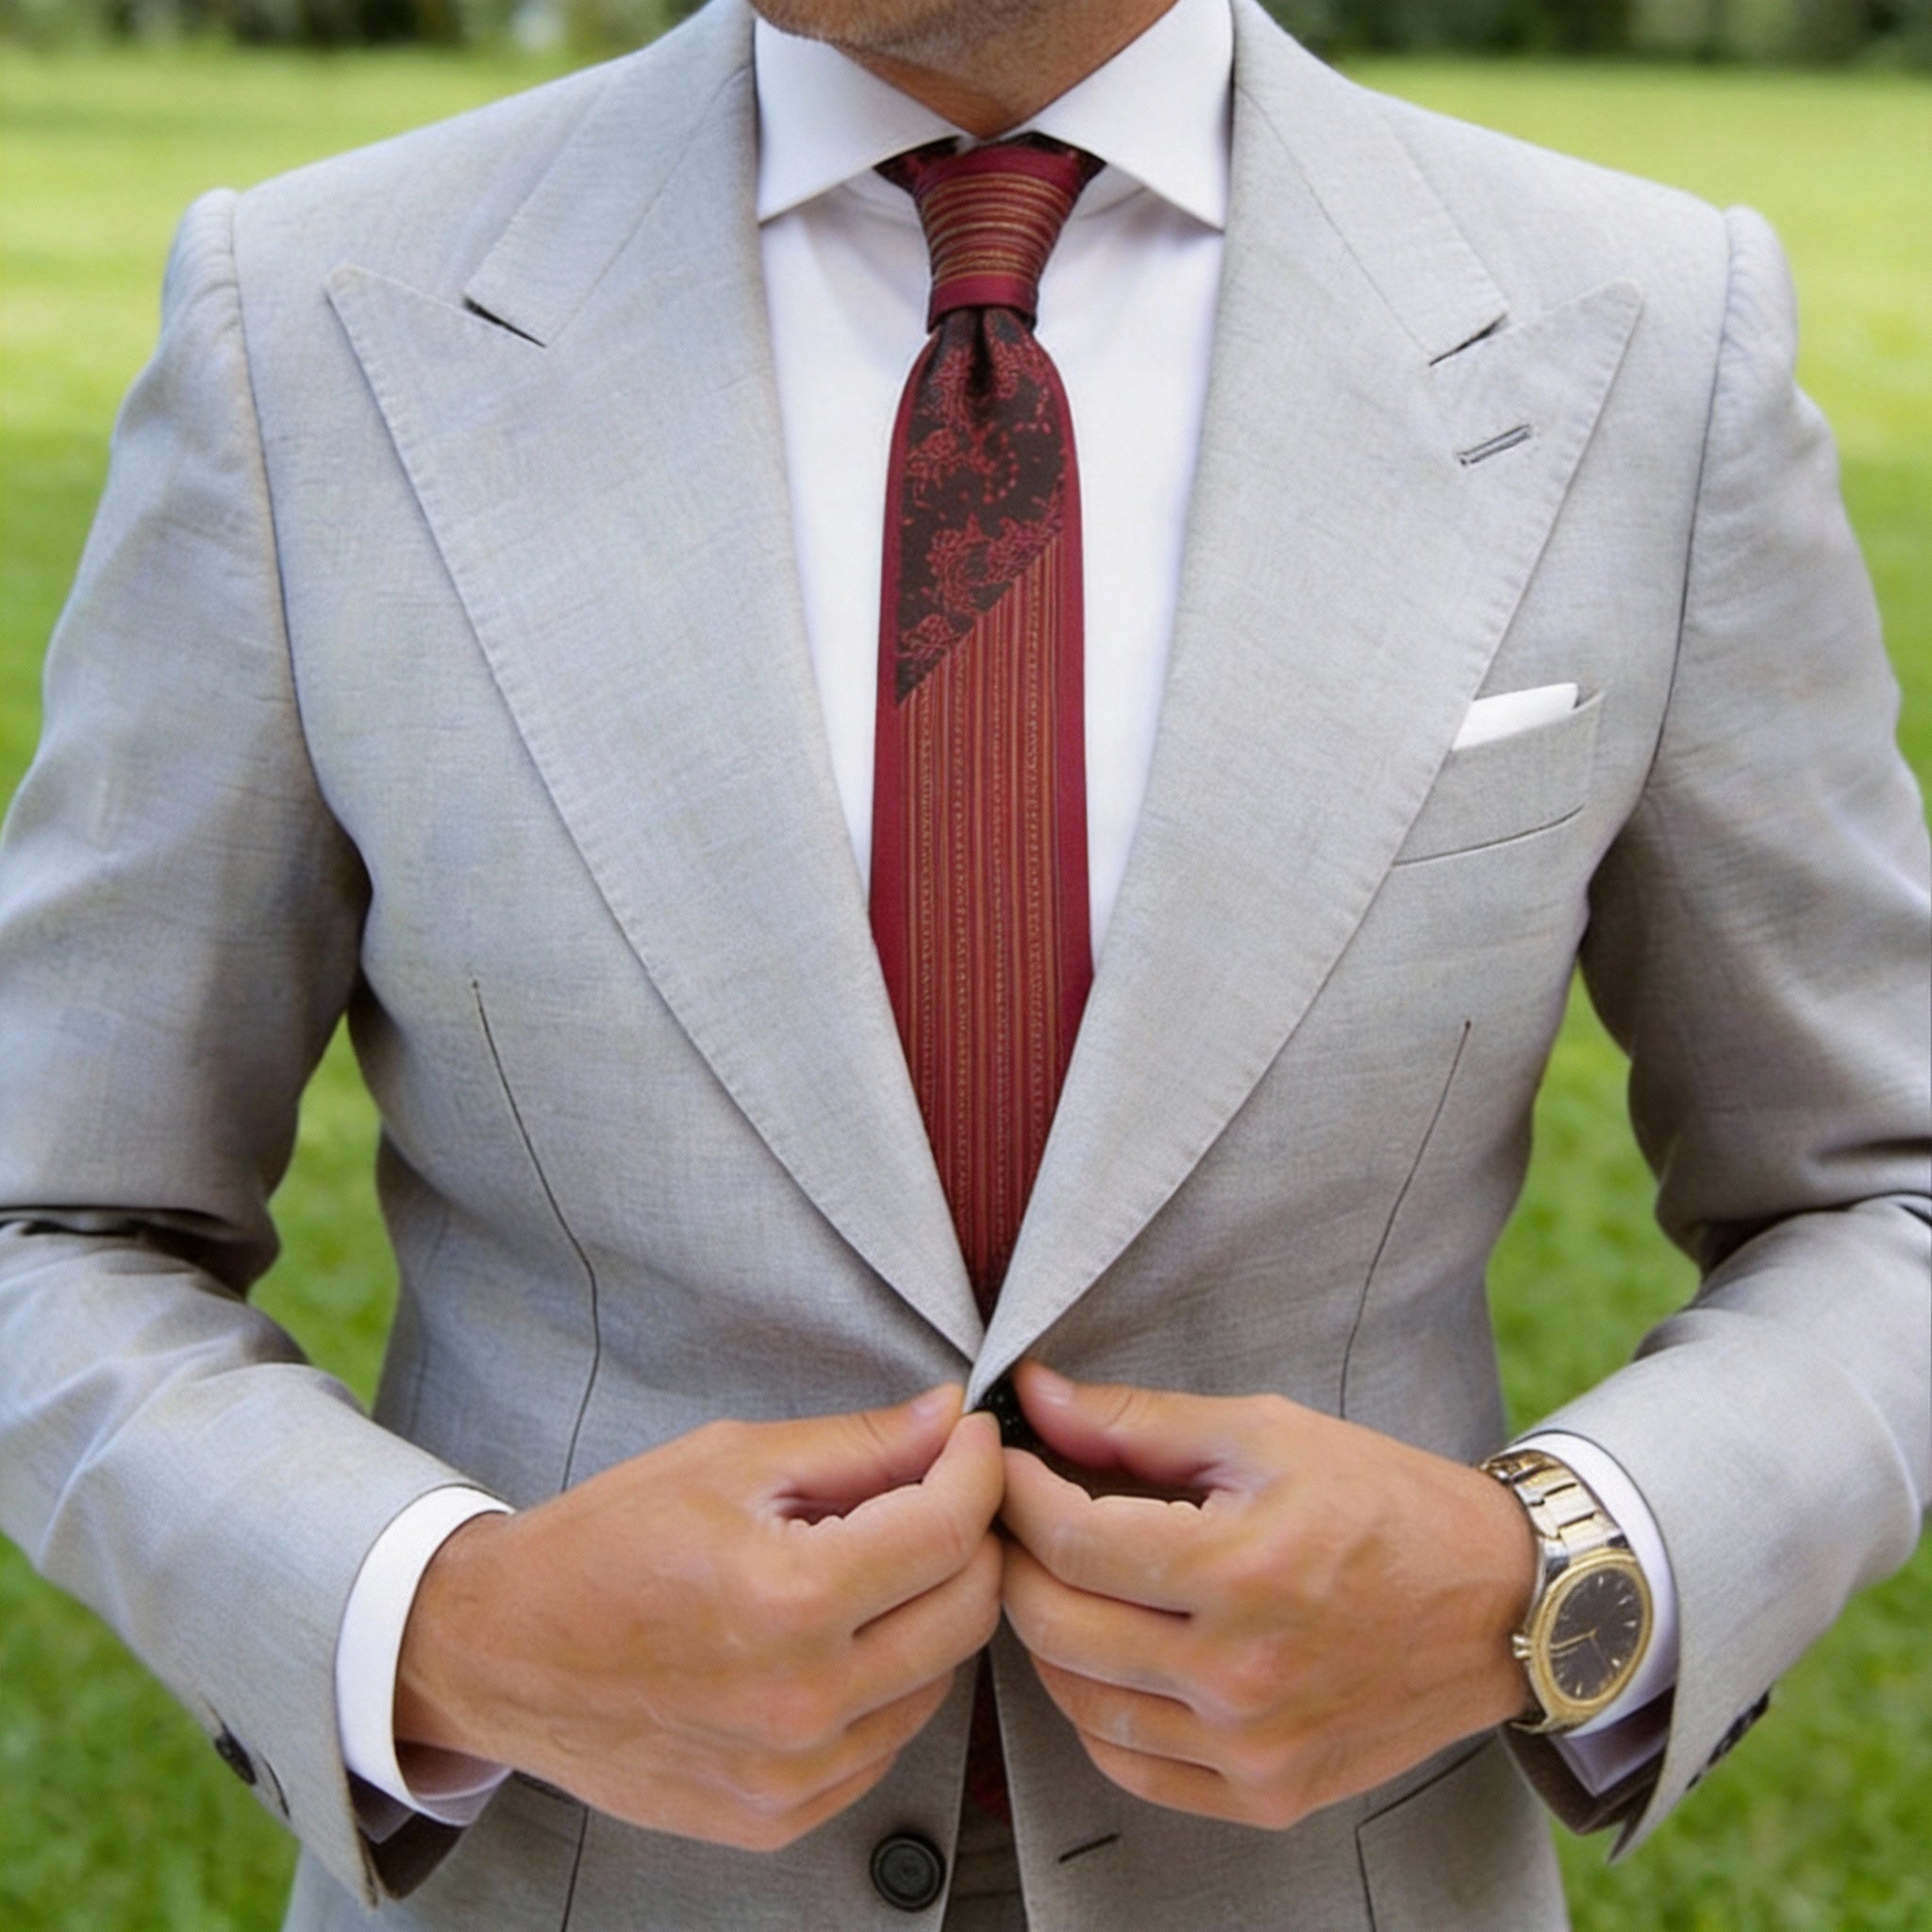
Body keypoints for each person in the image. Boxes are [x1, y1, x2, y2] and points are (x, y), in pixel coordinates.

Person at [0, 0, 1924, 1924]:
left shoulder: (1647, 336)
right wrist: (447, 1623)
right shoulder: (315, 319)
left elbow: (1879, 1191)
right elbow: (51, 1219)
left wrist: (1550, 1580)